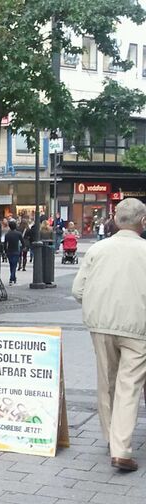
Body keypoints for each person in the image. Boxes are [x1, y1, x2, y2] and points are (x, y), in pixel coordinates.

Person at [72, 198, 146, 472]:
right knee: (129, 387)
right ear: (143, 222)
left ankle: (109, 437)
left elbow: (77, 290)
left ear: (115, 220)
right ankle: (121, 447)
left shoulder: (98, 249)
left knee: (106, 382)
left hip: (101, 325)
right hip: (138, 328)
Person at [3, 220, 23, 285]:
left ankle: (13, 277)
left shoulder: (7, 234)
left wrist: (5, 251)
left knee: (11, 264)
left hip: (9, 251)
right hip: (16, 250)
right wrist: (23, 247)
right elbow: (22, 242)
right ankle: (12, 278)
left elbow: (5, 244)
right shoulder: (18, 234)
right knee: (14, 265)